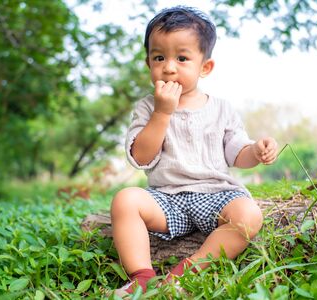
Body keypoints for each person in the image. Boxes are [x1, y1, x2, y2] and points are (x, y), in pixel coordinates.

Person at [111, 5, 278, 296]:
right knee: (125, 199)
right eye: (159, 57)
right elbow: (141, 157)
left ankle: (186, 272)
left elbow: (236, 152)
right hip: (166, 199)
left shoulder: (221, 108)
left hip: (217, 196)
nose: (169, 66)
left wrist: (256, 151)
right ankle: (142, 277)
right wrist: (162, 113)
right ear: (149, 62)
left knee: (249, 215)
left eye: (182, 58)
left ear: (205, 67)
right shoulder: (148, 107)